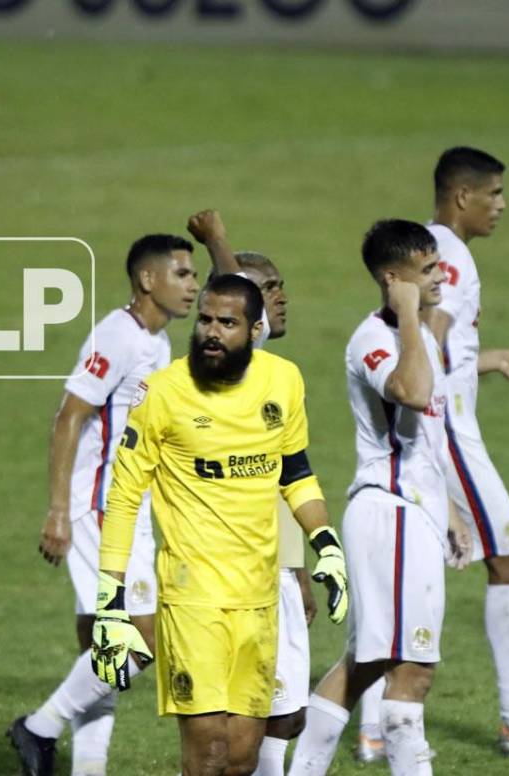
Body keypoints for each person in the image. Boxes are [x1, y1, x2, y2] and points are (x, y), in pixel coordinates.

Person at [358, 148, 509, 757]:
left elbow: (444, 352)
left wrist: (492, 359)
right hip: (448, 433)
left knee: (408, 577)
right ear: (462, 196)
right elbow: (429, 342)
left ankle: (371, 726)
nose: (502, 206)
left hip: (447, 428)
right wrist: (434, 439)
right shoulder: (449, 257)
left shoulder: (434, 248)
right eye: (494, 194)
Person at [92, 274, 348, 776]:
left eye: (226, 323)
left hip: (258, 596)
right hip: (192, 597)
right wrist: (110, 602)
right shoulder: (162, 393)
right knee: (208, 752)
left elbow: (295, 475)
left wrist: (327, 544)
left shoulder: (284, 381)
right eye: (206, 319)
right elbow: (122, 499)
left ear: (255, 330)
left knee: (241, 757)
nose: (211, 331)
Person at [8, 233, 200, 776]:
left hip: (128, 508)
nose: (193, 285)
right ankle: (39, 726)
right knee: (140, 637)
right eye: (182, 274)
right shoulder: (118, 335)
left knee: (100, 646)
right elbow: (69, 415)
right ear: (148, 280)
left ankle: (86, 770)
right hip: (99, 507)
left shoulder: (157, 343)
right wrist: (56, 511)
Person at [290, 219, 450, 776]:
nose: (440, 275)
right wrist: (409, 312)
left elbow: (429, 433)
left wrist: (448, 509)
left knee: (366, 664)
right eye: (426, 269)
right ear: (392, 278)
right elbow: (413, 392)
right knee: (412, 673)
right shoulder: (375, 339)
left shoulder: (417, 335)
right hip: (391, 514)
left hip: (413, 514)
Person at [183, 213, 313, 776]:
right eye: (268, 289)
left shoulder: (276, 377)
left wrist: (299, 566)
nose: (279, 298)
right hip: (233, 573)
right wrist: (217, 242)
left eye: (282, 285)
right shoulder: (233, 370)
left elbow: (285, 477)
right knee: (248, 722)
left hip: (276, 561)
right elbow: (233, 292)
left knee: (285, 714)